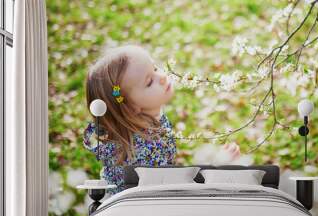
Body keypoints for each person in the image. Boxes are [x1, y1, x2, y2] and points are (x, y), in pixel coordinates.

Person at [83, 44, 240, 195]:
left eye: (155, 69)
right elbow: (169, 192)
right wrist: (214, 167)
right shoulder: (147, 151)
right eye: (149, 82)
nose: (163, 78)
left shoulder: (147, 120)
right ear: (130, 107)